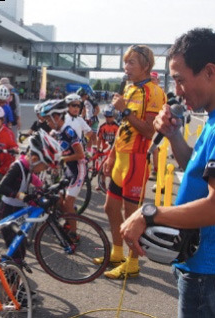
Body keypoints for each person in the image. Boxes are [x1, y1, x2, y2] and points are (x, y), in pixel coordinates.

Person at [120, 28, 215, 318]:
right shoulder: (210, 119)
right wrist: (174, 136)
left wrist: (149, 214)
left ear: (209, 72)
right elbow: (196, 170)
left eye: (180, 79)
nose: (177, 90)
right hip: (196, 266)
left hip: (206, 273)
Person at [96, 44, 166, 279]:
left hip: (137, 159)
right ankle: (117, 253)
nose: (126, 67)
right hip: (121, 157)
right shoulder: (130, 88)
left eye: (131, 62)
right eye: (125, 62)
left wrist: (125, 111)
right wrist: (111, 154)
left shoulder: (153, 92)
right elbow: (124, 127)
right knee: (110, 207)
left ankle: (132, 262)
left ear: (146, 65)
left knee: (131, 213)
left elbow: (149, 132)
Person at [0, 129, 60, 264]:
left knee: (21, 245)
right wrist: (23, 196)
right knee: (16, 251)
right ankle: (10, 276)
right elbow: (2, 187)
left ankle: (13, 274)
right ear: (34, 159)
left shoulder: (28, 168)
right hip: (8, 211)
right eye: (44, 166)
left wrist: (42, 187)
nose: (44, 170)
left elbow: (32, 178)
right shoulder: (17, 166)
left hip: (18, 211)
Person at [41, 99, 86, 240]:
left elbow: (80, 154)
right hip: (68, 169)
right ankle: (70, 216)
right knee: (59, 198)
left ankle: (74, 234)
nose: (47, 122)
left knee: (68, 202)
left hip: (78, 169)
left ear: (56, 117)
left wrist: (61, 160)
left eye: (48, 119)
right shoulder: (56, 132)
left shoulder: (69, 131)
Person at [96, 104, 119, 191]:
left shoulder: (117, 127)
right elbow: (99, 138)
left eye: (110, 116)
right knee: (103, 169)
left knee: (112, 169)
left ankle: (111, 186)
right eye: (106, 116)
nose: (108, 118)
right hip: (104, 150)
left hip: (114, 151)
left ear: (113, 116)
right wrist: (98, 149)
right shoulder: (102, 127)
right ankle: (101, 183)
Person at [77, 88, 100, 153]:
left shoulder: (92, 100)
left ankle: (95, 149)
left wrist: (93, 117)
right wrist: (80, 117)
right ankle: (88, 150)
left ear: (85, 95)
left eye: (81, 97)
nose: (81, 98)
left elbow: (98, 110)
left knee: (93, 136)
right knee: (88, 136)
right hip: (87, 120)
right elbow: (84, 110)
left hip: (94, 120)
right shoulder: (84, 102)